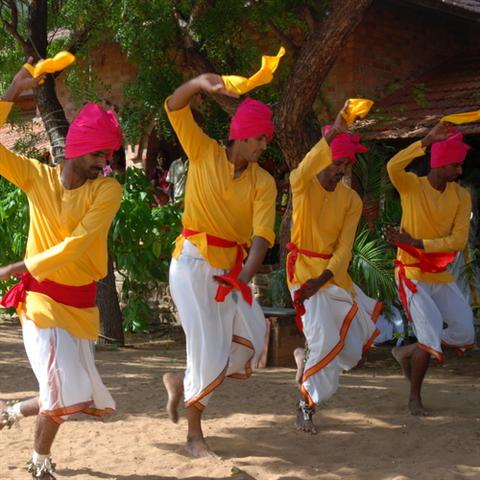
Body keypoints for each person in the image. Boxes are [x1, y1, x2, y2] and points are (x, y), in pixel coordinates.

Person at [0, 60, 123, 479]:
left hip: (82, 306)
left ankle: (13, 410)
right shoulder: (36, 178)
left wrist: (16, 265)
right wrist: (11, 93)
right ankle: (39, 464)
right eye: (98, 153)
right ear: (75, 149)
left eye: (107, 154)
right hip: (41, 302)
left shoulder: (108, 190)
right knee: (58, 388)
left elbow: (79, 246)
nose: (104, 162)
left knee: (73, 391)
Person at [161, 73, 277, 458]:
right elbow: (174, 106)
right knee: (207, 347)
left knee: (255, 337)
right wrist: (196, 84)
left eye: (266, 139)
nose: (264, 145)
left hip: (231, 272)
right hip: (192, 264)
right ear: (241, 136)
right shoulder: (204, 151)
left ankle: (182, 380)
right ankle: (195, 437)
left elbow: (261, 237)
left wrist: (241, 279)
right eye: (261, 138)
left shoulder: (264, 182)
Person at [287, 103, 382, 435]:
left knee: (352, 350)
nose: (340, 169)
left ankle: (306, 355)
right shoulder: (303, 186)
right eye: (336, 161)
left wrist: (324, 278)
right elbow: (302, 169)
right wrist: (339, 127)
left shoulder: (351, 200)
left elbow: (344, 248)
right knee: (326, 337)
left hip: (332, 276)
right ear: (323, 158)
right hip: (301, 273)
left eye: (345, 163)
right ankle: (306, 407)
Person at [384, 122, 475, 416]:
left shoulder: (461, 196)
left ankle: (407, 352)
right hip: (411, 274)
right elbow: (393, 167)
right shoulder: (412, 186)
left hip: (440, 273)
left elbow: (458, 240)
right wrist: (424, 140)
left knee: (464, 333)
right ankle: (414, 398)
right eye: (455, 166)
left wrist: (415, 242)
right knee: (430, 336)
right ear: (438, 163)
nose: (459, 172)